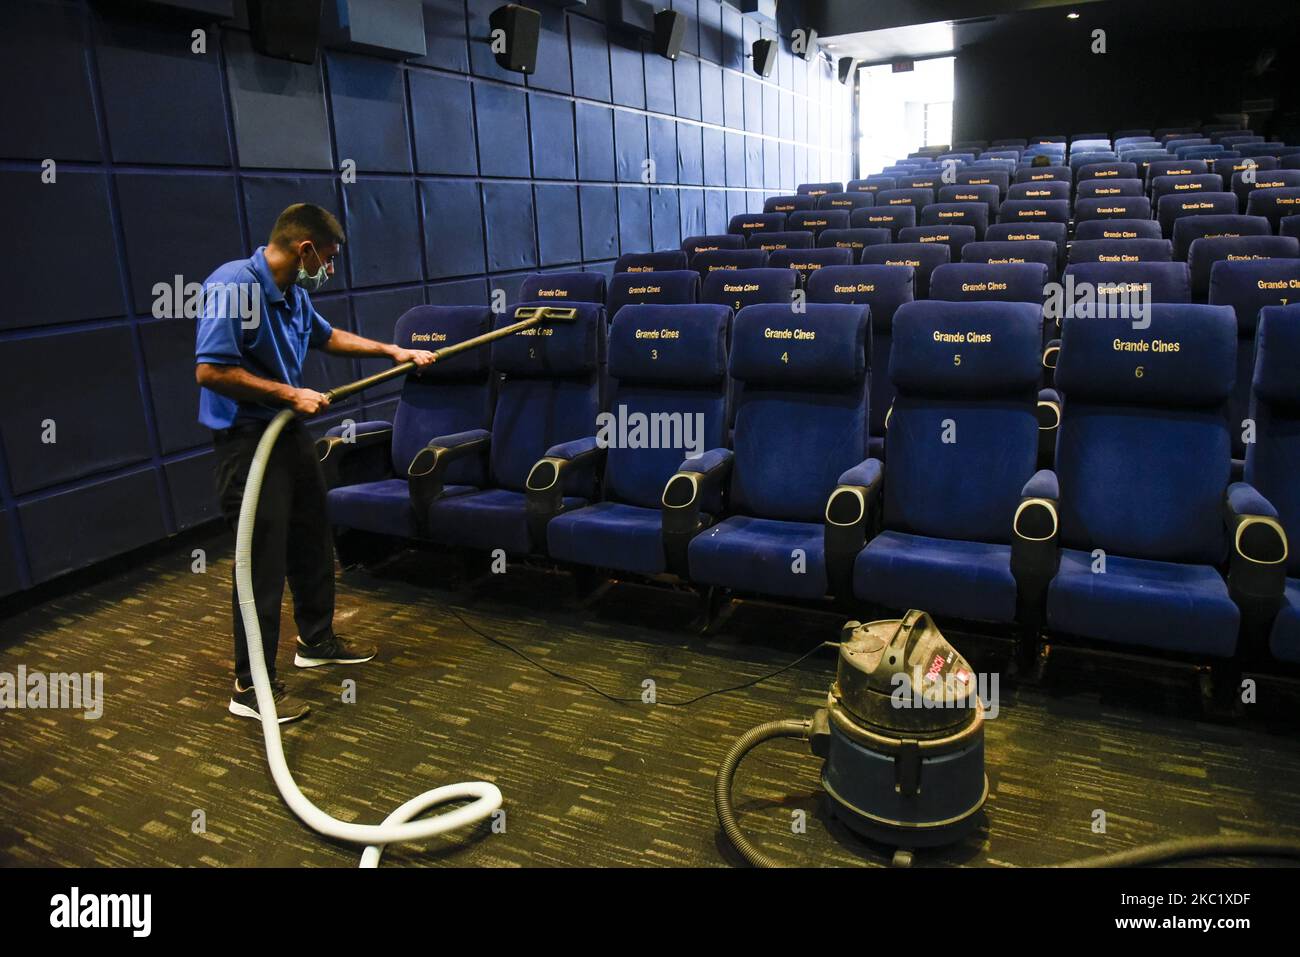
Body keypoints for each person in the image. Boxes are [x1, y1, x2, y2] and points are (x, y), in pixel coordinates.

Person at [195, 204, 435, 723]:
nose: (328, 269)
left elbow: (328, 337)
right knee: (260, 561)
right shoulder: (236, 287)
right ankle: (248, 687)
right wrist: (289, 392)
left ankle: (316, 640)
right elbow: (210, 370)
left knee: (310, 534)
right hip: (245, 442)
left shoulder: (294, 294)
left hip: (285, 430)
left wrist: (391, 351)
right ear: (305, 249)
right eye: (327, 259)